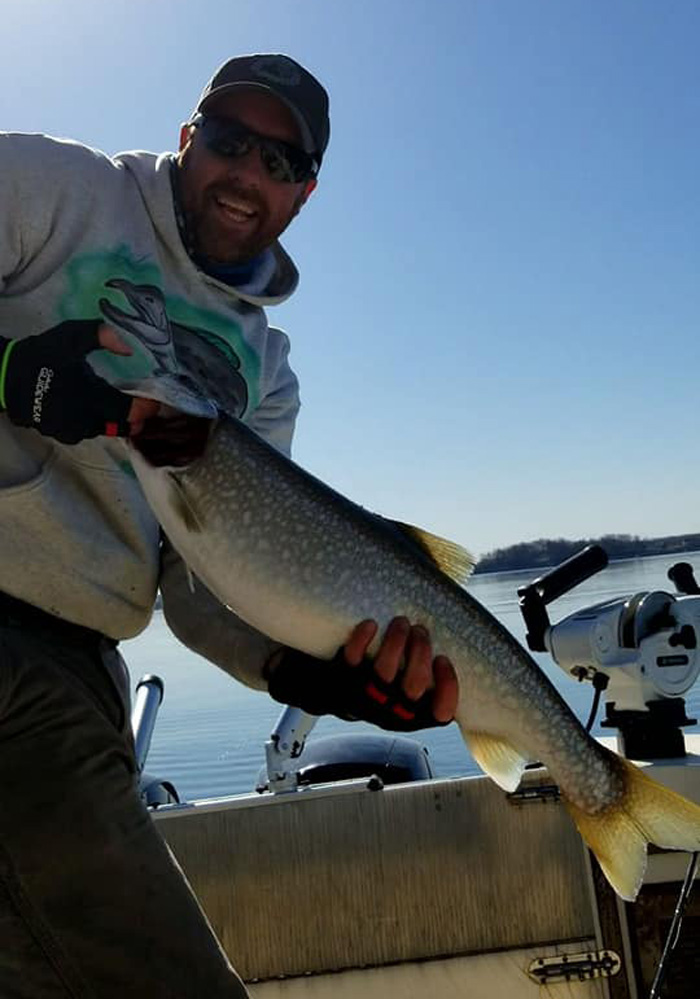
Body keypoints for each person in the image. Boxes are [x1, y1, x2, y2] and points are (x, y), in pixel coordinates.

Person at [0, 53, 458, 997]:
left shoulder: (266, 371)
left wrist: (320, 671)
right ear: (187, 138)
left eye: (281, 162)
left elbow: (206, 585)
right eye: (229, 139)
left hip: (79, 675)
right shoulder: (52, 185)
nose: (248, 172)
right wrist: (9, 374)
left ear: (305, 193)